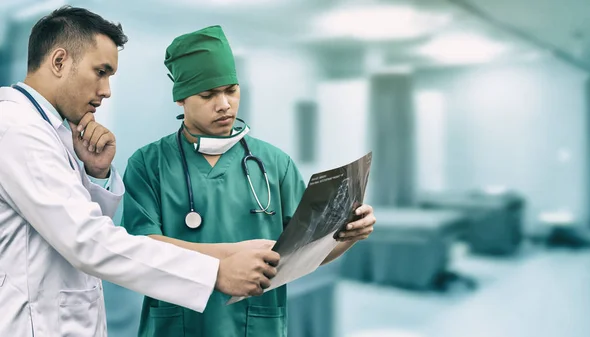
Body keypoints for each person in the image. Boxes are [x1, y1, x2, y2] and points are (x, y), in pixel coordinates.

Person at [0, 7, 281, 336]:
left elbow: (80, 224)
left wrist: (96, 173)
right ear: (59, 61)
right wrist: (215, 272)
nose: (106, 90)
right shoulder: (16, 128)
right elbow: (88, 242)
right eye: (100, 72)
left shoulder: (53, 131)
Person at [121, 25, 377, 337]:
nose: (224, 105)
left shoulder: (274, 163)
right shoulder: (149, 164)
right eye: (208, 94)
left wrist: (347, 235)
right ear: (181, 99)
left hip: (255, 325)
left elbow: (306, 254)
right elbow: (141, 248)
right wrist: (229, 259)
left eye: (231, 90)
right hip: (178, 326)